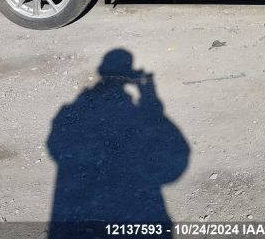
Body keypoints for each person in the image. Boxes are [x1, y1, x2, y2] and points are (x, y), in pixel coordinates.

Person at [47, 49, 189, 237]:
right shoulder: (82, 112)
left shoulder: (72, 111)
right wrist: (149, 96)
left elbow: (54, 145)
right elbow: (176, 154)